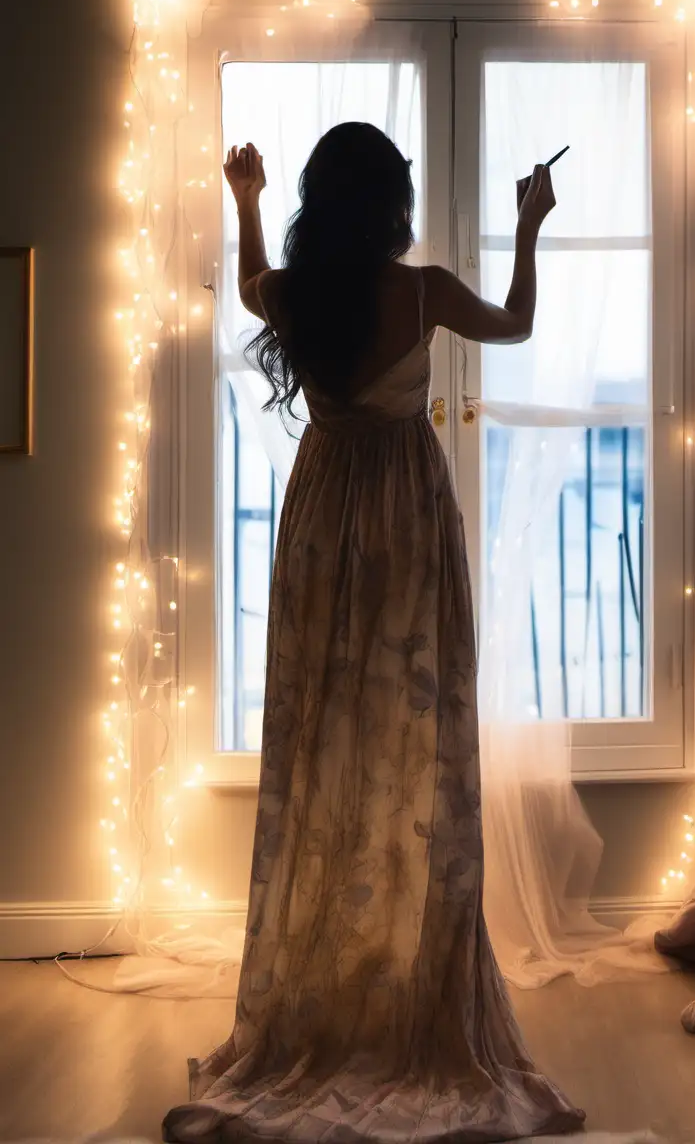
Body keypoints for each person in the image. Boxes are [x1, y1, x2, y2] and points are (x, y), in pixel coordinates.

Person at [162, 122, 583, 1144]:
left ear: (321, 203)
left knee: (325, 736)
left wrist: (246, 198)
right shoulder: (427, 290)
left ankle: (329, 968)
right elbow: (519, 324)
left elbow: (258, 271)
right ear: (390, 205)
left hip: (322, 518)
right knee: (417, 742)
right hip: (404, 513)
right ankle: (405, 969)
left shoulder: (298, 295)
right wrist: (529, 224)